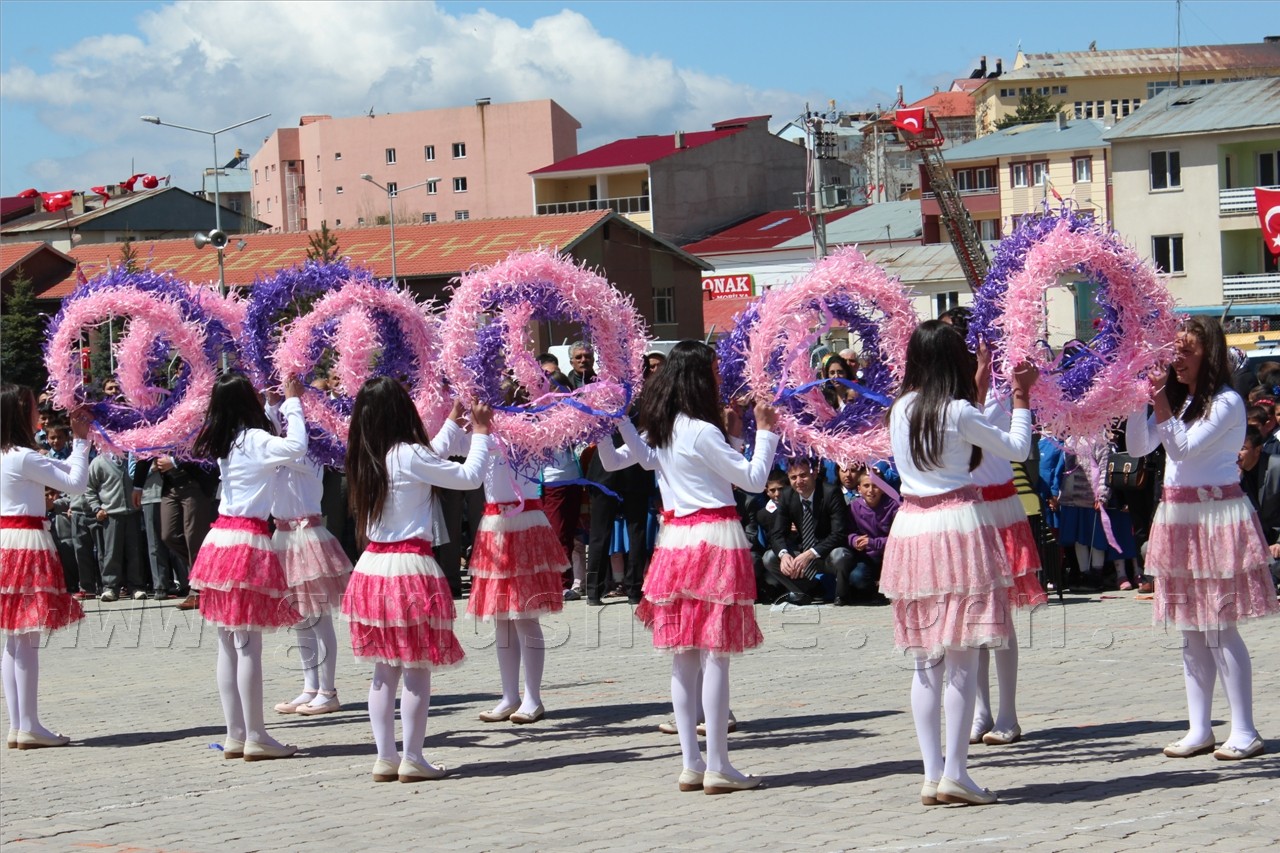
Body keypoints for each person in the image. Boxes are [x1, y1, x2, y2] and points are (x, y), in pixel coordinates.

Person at [598, 340, 779, 795]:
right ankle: (718, 763)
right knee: (715, 653)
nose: (719, 378)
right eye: (714, 371)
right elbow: (753, 480)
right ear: (700, 377)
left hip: (676, 541)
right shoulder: (699, 430)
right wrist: (766, 432)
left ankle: (692, 763)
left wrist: (611, 422)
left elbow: (627, 460)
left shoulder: (667, 427)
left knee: (685, 655)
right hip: (714, 539)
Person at [880, 320, 1037, 807]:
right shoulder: (957, 410)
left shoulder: (900, 408)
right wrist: (1022, 398)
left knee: (927, 660)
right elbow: (1018, 449)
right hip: (959, 527)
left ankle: (933, 774)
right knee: (963, 655)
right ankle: (956, 774)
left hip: (911, 528)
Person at [1125, 317, 1278, 762]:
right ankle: (1199, 728)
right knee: (1191, 628)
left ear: (1209, 353)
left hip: (1215, 517)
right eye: (1175, 349)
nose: (1177, 358)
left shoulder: (1226, 401)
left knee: (1219, 625)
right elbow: (1137, 447)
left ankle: (1245, 729)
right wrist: (1136, 399)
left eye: (1187, 350)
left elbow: (1183, 449)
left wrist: (1158, 397)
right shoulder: (1181, 400)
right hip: (1179, 515)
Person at [342, 377, 493, 782]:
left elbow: (427, 458)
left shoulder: (365, 455)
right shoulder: (408, 453)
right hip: (409, 569)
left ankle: (385, 757)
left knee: (384, 669)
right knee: (416, 667)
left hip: (372, 568)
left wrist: (451, 425)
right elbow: (469, 477)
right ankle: (413, 757)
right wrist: (480, 433)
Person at [188, 372, 308, 762]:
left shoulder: (227, 441)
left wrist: (276, 406)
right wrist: (292, 402)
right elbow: (297, 446)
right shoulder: (253, 438)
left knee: (228, 644)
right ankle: (255, 734)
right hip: (246, 541)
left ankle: (236, 734)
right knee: (247, 645)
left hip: (220, 539)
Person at [460, 385, 565, 725]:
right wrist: (460, 419)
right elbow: (447, 447)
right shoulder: (481, 436)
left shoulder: (532, 435)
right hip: (494, 527)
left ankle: (533, 697)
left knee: (525, 615)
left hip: (525, 524)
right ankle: (509, 695)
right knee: (502, 617)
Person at [1, 385, 92, 749]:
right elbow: (76, 483)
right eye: (34, 408)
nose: (39, 415)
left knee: (14, 638)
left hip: (7, 541)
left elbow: (61, 473)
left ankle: (18, 725)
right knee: (26, 636)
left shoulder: (10, 455)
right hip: (26, 542)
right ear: (21, 414)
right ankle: (29, 725)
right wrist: (81, 441)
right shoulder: (23, 456)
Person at [968, 368, 1047, 748]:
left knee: (999, 617)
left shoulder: (999, 392)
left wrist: (1012, 391)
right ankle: (980, 710)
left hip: (999, 510)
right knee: (973, 619)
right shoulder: (950, 393)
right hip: (966, 512)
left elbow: (1016, 445)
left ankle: (1008, 714)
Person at [267, 398, 352, 718]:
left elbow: (296, 444)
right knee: (299, 618)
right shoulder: (280, 446)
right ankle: (310, 686)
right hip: (283, 538)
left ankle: (327, 691)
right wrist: (272, 404)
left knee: (318, 616)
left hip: (307, 538)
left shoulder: (310, 450)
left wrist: (291, 404)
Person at [763, 457, 853, 606]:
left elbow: (839, 534)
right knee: (769, 557)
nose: (799, 481)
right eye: (793, 477)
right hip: (802, 553)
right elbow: (777, 533)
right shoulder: (787, 495)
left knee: (841, 555)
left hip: (827, 553)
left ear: (814, 473)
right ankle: (805, 592)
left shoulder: (830, 492)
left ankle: (842, 596)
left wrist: (811, 553)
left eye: (803, 475)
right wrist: (784, 555)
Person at [85, 450, 147, 601]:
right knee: (111, 553)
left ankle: (136, 586)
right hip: (110, 514)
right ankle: (110, 587)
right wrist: (97, 508)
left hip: (133, 512)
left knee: (135, 552)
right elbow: (89, 488)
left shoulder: (132, 459)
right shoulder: (98, 462)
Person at [842, 468, 897, 605]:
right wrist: (854, 540)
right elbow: (848, 532)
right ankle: (874, 590)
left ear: (883, 488)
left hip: (890, 556)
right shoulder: (854, 507)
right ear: (859, 489)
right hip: (867, 556)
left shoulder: (893, 506)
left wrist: (872, 542)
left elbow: (897, 539)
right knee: (857, 577)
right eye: (866, 486)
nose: (871, 490)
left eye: (876, 486)